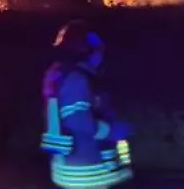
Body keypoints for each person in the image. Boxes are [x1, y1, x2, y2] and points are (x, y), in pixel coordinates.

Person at [39, 20, 134, 188]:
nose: (101, 55)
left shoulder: (59, 75)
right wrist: (112, 130)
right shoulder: (77, 80)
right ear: (86, 50)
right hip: (87, 169)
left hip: (69, 166)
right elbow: (79, 121)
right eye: (99, 49)